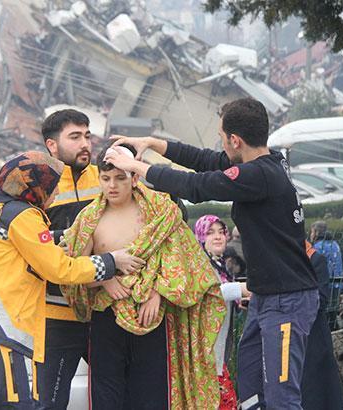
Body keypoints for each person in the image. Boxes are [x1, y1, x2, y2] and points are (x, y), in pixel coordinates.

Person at [104, 97, 319, 409]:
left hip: (286, 300)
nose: (221, 145)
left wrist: (135, 166)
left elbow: (197, 186)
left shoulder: (259, 176)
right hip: (267, 296)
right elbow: (205, 161)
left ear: (235, 140)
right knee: (251, 388)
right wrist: (151, 143)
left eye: (222, 137)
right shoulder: (266, 161)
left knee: (282, 397)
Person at [0, 151, 144, 409]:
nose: (55, 193)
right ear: (37, 185)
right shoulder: (23, 216)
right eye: (52, 186)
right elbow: (59, 270)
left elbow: (39, 250)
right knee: (11, 405)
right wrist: (110, 262)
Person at [62, 143, 226, 410]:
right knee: (107, 396)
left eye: (119, 178)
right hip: (107, 316)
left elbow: (186, 261)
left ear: (135, 177)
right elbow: (73, 270)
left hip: (152, 317)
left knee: (152, 395)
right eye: (105, 179)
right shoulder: (88, 219)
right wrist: (106, 278)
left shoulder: (160, 212)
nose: (112, 186)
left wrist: (159, 293)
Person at [37, 109, 101, 409]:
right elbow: (33, 242)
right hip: (57, 314)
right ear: (52, 145)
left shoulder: (106, 177)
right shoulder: (38, 187)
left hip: (104, 309)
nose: (84, 143)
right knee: (50, 401)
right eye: (75, 137)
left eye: (87, 136)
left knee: (119, 397)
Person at [194, 215, 251, 409]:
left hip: (217, 356)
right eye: (210, 233)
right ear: (200, 237)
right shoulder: (199, 265)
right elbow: (211, 292)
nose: (217, 237)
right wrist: (243, 288)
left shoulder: (221, 267)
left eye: (221, 232)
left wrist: (239, 301)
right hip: (205, 358)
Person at [301, 240, 343, 410]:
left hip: (313, 337)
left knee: (316, 390)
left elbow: (321, 298)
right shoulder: (280, 259)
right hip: (288, 335)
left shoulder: (315, 259)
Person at [310, 220, 343, 329]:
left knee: (323, 313)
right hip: (336, 283)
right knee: (332, 311)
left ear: (315, 232)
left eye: (311, 232)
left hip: (324, 284)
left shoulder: (318, 247)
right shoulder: (335, 244)